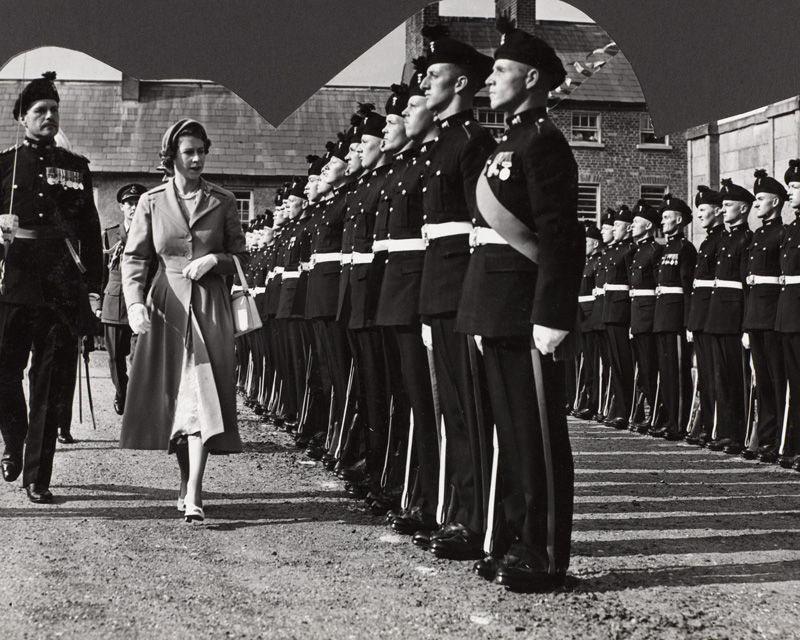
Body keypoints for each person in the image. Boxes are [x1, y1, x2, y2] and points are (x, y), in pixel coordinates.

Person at [462, 17, 583, 592]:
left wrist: (553, 314)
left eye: (501, 70)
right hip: (495, 303)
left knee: (537, 435)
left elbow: (562, 235)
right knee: (509, 433)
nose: (490, 79)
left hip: (528, 309)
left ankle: (544, 550)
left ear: (531, 78)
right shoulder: (509, 141)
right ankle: (513, 536)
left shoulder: (545, 143)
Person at [120, 119, 248, 523]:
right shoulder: (152, 201)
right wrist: (135, 303)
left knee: (202, 395)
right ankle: (184, 480)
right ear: (172, 155)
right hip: (166, 306)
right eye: (188, 151)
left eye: (201, 151)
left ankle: (195, 492)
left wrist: (217, 260)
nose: (196, 159)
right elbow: (136, 257)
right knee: (176, 399)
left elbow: (241, 256)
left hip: (209, 305)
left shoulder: (224, 200)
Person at [414, 24, 497, 559]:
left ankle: (477, 521)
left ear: (461, 83)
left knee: (470, 412)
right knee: (452, 414)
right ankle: (459, 513)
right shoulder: (442, 142)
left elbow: (480, 230)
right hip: (436, 291)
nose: (426, 81)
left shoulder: (472, 143)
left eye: (435, 74)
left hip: (461, 293)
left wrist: (472, 301)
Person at [0, 71, 103, 503]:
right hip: (15, 281)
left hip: (61, 286)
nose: (48, 117)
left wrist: (93, 287)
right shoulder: (3, 164)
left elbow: (91, 230)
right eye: (40, 111)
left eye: (54, 111)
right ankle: (15, 438)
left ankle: (38, 478)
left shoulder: (76, 168)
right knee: (4, 371)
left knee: (50, 380)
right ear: (22, 117)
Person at [704, 178, 753, 454]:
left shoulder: (746, 239)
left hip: (734, 316)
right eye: (721, 206)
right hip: (718, 315)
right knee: (720, 376)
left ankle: (737, 433)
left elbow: (746, 285)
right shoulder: (725, 239)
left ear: (743, 209)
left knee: (736, 377)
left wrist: (745, 324)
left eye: (728, 205)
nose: (723, 210)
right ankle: (725, 431)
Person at [741, 170, 786, 461]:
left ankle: (781, 440)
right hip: (756, 317)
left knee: (776, 381)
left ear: (776, 201)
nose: (757, 205)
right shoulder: (758, 235)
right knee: (763, 384)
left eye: (760, 199)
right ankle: (767, 439)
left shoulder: (782, 233)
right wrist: (747, 324)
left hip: (773, 318)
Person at [101, 183, 149, 416]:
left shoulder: (153, 233)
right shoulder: (109, 235)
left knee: (139, 355)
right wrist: (97, 304)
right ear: (121, 206)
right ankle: (122, 393)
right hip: (114, 301)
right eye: (129, 203)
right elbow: (101, 272)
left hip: (143, 302)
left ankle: (138, 400)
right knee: (114, 357)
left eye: (138, 203)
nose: (134, 207)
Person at [652, 193, 696, 440]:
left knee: (678, 374)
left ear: (679, 221)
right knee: (666, 372)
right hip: (661, 316)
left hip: (676, 315)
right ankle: (669, 419)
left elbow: (687, 287)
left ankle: (678, 423)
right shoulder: (664, 249)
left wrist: (688, 321)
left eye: (667, 217)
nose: (663, 221)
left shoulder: (685, 249)